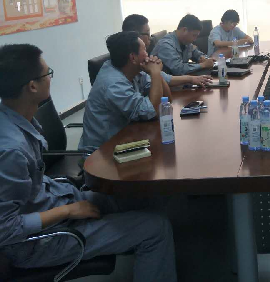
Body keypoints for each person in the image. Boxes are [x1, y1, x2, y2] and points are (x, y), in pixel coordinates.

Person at [0, 44, 176, 281]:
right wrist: (68, 210)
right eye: (47, 73)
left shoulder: (16, 119)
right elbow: (5, 229)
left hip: (58, 200)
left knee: (138, 198)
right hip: (40, 241)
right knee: (156, 229)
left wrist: (68, 204)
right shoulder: (11, 149)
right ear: (32, 86)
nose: (50, 78)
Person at [79, 31, 167, 154]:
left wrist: (156, 73)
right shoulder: (113, 84)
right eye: (145, 50)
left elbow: (166, 101)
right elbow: (152, 111)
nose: (148, 54)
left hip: (126, 139)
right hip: (102, 153)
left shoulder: (133, 70)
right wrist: (155, 73)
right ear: (133, 57)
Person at [123, 13, 211, 88]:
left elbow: (162, 78)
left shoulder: (186, 42)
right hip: (173, 87)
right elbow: (178, 70)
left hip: (171, 85)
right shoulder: (165, 45)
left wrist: (203, 58)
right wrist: (202, 65)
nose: (150, 38)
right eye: (147, 34)